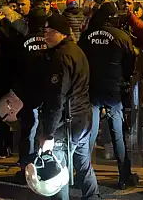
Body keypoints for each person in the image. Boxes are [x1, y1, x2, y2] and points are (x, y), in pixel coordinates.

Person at [38, 13, 100, 200]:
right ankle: (92, 196)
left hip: (67, 122)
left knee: (59, 168)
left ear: (63, 33)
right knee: (82, 164)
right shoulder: (76, 50)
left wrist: (48, 133)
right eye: (45, 31)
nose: (47, 35)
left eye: (52, 32)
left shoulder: (60, 57)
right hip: (83, 117)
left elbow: (57, 99)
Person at [78, 2, 139, 189]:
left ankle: (83, 176)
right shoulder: (121, 36)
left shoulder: (87, 35)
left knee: (89, 133)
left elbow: (80, 58)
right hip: (113, 88)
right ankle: (124, 176)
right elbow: (130, 63)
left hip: (92, 87)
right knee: (117, 133)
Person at [14, 8, 50, 172]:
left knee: (29, 128)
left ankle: (26, 165)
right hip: (48, 90)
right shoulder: (50, 40)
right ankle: (44, 163)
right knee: (47, 128)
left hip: (28, 91)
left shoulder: (23, 41)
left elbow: (16, 67)